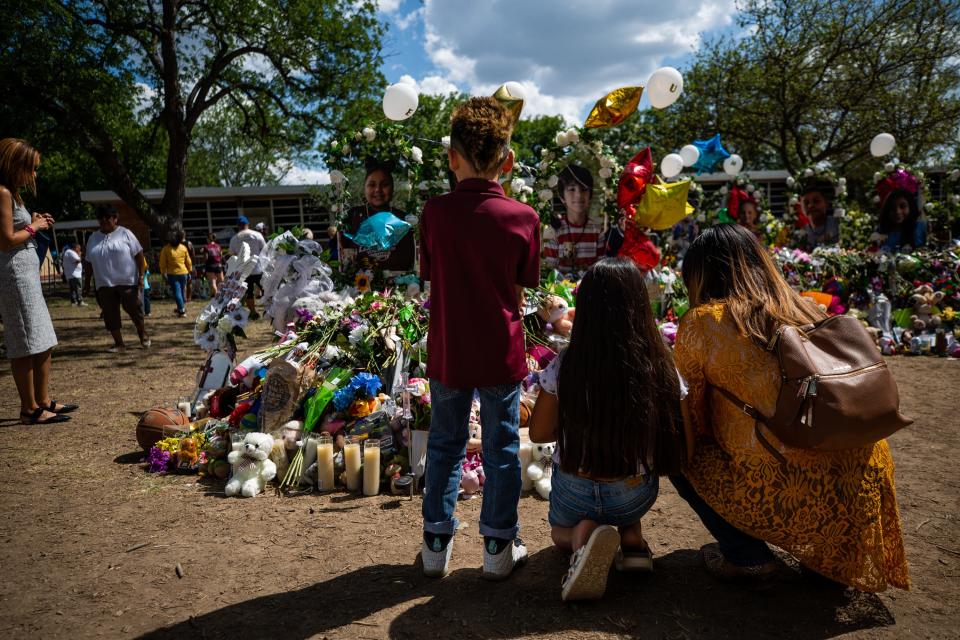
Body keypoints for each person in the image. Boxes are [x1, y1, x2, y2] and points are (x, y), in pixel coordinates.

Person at [673, 224, 909, 591]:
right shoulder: (806, 307)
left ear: (701, 275)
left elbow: (693, 418)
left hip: (783, 486)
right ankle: (830, 558)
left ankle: (745, 556)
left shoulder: (703, 323)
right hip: (861, 484)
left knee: (678, 449)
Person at [419, 97, 540, 580]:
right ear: (507, 162)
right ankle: (496, 547)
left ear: (451, 157)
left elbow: (435, 281)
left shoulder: (434, 214)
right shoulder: (523, 217)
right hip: (499, 348)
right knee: (502, 446)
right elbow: (515, 291)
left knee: (446, 444)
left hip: (449, 347)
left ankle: (434, 546)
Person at [528, 257, 685, 601]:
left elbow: (539, 434)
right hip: (633, 494)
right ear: (640, 306)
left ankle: (580, 537)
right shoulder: (659, 363)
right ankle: (631, 539)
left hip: (575, 493)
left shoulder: (566, 365)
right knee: (624, 506)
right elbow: (674, 429)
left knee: (558, 532)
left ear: (585, 309)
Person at [0, 138, 76, 424]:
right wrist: (35, 226)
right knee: (24, 340)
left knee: (43, 337)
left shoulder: (13, 194)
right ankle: (29, 408)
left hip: (27, 274)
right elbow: (6, 241)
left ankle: (43, 400)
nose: (34, 174)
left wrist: (31, 220)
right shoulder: (2, 192)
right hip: (14, 275)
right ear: (14, 165)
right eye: (31, 168)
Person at [84, 205, 151, 352]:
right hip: (104, 283)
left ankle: (142, 334)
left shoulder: (125, 233)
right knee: (110, 314)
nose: (104, 220)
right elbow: (88, 263)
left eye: (107, 217)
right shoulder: (93, 238)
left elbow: (139, 256)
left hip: (127, 282)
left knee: (135, 310)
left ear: (115, 218)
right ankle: (119, 344)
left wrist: (141, 277)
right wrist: (87, 283)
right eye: (100, 218)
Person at [339, 161, 415, 272]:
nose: (378, 190)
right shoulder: (351, 217)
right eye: (372, 185)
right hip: (359, 286)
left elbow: (409, 259)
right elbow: (345, 259)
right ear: (364, 188)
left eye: (384, 185)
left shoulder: (403, 219)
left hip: (398, 286)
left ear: (392, 188)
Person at [542, 165, 605, 273]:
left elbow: (601, 268)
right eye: (572, 189)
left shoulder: (598, 231)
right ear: (562, 197)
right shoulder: (554, 231)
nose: (578, 195)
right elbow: (550, 271)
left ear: (590, 195)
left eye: (584, 189)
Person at [229, 215, 266, 320]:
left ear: (238, 226)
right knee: (266, 290)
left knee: (249, 293)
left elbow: (232, 254)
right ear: (247, 224)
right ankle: (270, 310)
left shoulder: (235, 238)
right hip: (258, 268)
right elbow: (265, 249)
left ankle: (253, 312)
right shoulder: (257, 235)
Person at [159, 230, 192, 316]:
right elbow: (188, 261)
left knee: (177, 292)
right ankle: (180, 307)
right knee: (181, 292)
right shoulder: (183, 248)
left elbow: (162, 263)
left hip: (172, 274)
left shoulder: (166, 249)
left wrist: (163, 273)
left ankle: (182, 310)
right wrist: (190, 271)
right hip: (184, 273)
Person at [799, 183, 839, 247]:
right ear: (801, 208)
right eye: (806, 203)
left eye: (816, 201)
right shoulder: (800, 234)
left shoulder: (838, 225)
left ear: (826, 203)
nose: (811, 206)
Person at [203, 232, 224, 297]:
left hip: (210, 265)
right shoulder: (218, 246)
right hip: (218, 265)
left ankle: (217, 297)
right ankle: (223, 296)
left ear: (208, 239)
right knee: (221, 282)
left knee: (213, 282)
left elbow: (206, 258)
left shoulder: (206, 247)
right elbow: (221, 255)